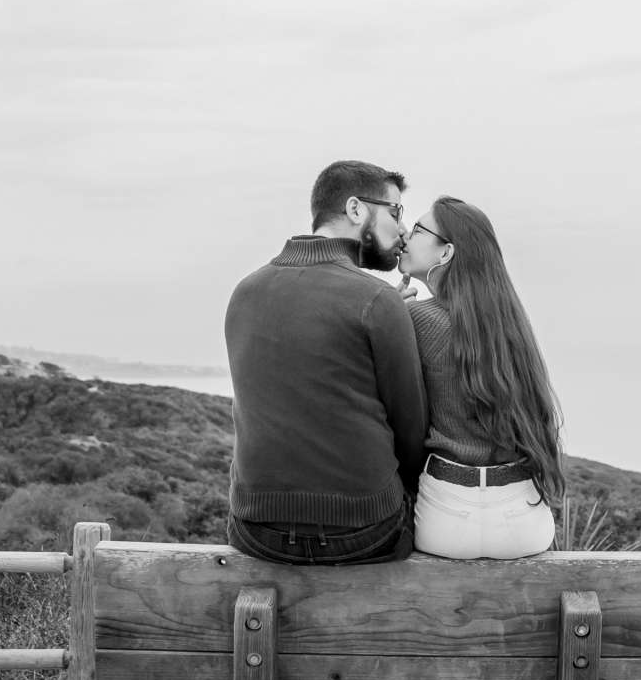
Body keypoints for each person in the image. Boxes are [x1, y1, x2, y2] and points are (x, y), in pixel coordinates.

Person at [223, 160, 427, 565]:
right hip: (366, 531)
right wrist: (387, 315)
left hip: (256, 530)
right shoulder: (376, 300)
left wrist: (384, 313)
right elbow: (412, 432)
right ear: (355, 210)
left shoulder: (244, 292)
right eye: (395, 212)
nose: (402, 229)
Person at [395, 196, 566, 559]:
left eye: (418, 229)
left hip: (445, 522)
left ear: (446, 254)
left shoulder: (414, 319)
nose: (405, 237)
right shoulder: (510, 326)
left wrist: (387, 313)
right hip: (523, 525)